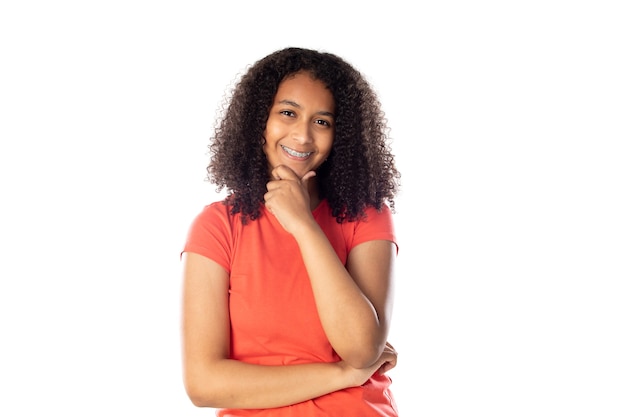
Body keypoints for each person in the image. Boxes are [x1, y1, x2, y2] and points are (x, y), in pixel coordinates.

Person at [180, 46, 401, 416]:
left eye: (322, 122)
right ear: (258, 123)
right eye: (287, 113)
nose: (302, 136)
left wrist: (303, 224)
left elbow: (362, 348)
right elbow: (204, 384)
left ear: (340, 136)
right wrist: (344, 375)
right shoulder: (217, 227)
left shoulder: (367, 216)